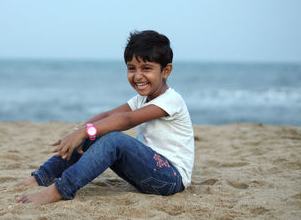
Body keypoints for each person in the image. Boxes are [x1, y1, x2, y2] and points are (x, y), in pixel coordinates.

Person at [14, 30, 194, 204]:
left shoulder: (172, 100)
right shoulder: (141, 99)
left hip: (171, 178)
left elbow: (127, 120)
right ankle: (42, 178)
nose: (138, 76)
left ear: (166, 71)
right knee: (97, 131)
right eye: (132, 68)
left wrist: (85, 131)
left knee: (113, 138)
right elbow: (108, 115)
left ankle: (60, 190)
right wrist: (80, 130)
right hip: (148, 173)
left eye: (146, 68)